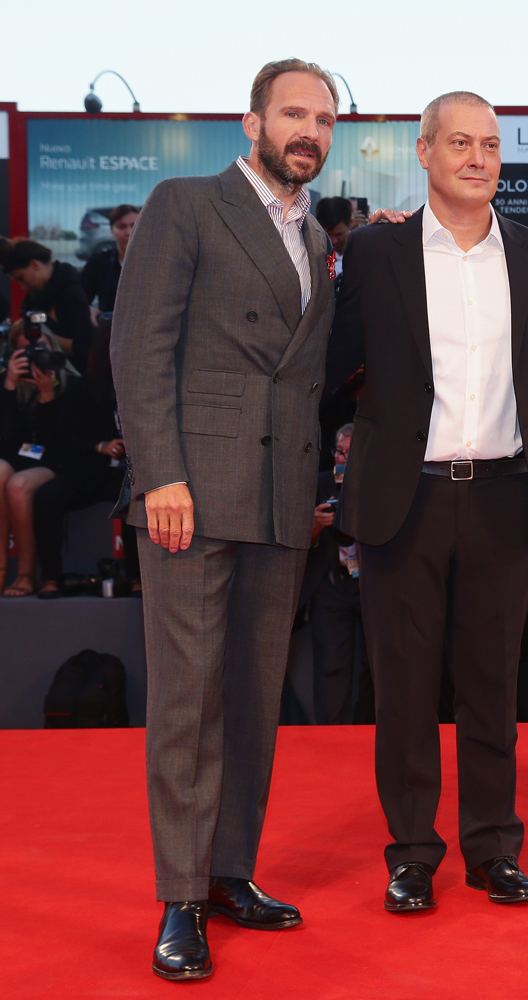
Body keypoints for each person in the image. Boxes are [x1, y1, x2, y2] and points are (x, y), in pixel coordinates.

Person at [325, 91, 528, 916]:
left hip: (500, 498)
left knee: (493, 687)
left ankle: (494, 849)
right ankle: (412, 854)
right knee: (406, 691)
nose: (479, 157)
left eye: (490, 144)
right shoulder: (376, 254)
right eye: (460, 143)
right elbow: (333, 367)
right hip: (402, 503)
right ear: (424, 153)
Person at [111, 58, 341, 981]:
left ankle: (228, 874)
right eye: (294, 113)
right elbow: (140, 346)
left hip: (281, 499)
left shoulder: (315, 232)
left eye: (324, 118)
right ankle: (179, 898)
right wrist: (159, 474)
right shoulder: (186, 203)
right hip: (192, 496)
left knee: (252, 701)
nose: (310, 131)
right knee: (186, 702)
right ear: (251, 122)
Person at [32, 316, 133, 598]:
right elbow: (64, 437)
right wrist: (99, 446)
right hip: (91, 472)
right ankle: (50, 576)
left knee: (136, 500)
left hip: (131, 475)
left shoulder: (142, 386)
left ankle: (137, 578)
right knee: (46, 497)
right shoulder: (84, 387)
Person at [297, 423, 370, 722]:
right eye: (339, 452)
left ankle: (373, 733)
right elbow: (298, 542)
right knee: (331, 667)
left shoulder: (382, 486)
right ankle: (330, 735)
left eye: (350, 454)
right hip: (329, 585)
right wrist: (315, 525)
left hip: (372, 588)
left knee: (377, 670)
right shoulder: (318, 484)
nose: (343, 459)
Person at [0, 313, 75, 597]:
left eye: (40, 348)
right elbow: (5, 440)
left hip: (54, 462)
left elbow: (57, 446)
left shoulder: (71, 383)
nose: (34, 357)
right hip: (16, 457)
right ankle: (1, 568)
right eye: (25, 352)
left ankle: (27, 574)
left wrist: (47, 397)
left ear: (53, 347)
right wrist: (8, 385)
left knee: (18, 486)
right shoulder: (7, 382)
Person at [1, 238, 94, 364]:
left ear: (34, 264)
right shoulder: (37, 297)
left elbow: (84, 347)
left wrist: (42, 336)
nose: (23, 286)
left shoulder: (70, 294)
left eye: (21, 278)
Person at [81, 204, 139, 314]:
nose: (129, 233)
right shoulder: (99, 262)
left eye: (135, 226)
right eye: (121, 227)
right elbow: (80, 298)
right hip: (111, 328)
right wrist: (87, 309)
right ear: (112, 230)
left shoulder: (157, 263)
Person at [314, 196, 354, 281]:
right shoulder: (312, 254)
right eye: (327, 235)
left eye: (339, 234)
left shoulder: (361, 250)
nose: (333, 241)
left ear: (350, 223)